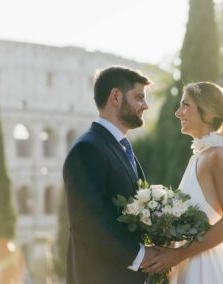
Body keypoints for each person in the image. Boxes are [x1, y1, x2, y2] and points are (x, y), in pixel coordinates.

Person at [142, 82, 223, 284]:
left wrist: (177, 255)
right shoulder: (199, 156)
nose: (178, 113)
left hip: (206, 270)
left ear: (209, 113)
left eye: (185, 105)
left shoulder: (220, 157)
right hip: (185, 266)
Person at [63, 66, 159, 284]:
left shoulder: (122, 148)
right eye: (139, 98)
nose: (145, 105)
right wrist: (141, 256)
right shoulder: (87, 149)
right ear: (116, 96)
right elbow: (87, 221)